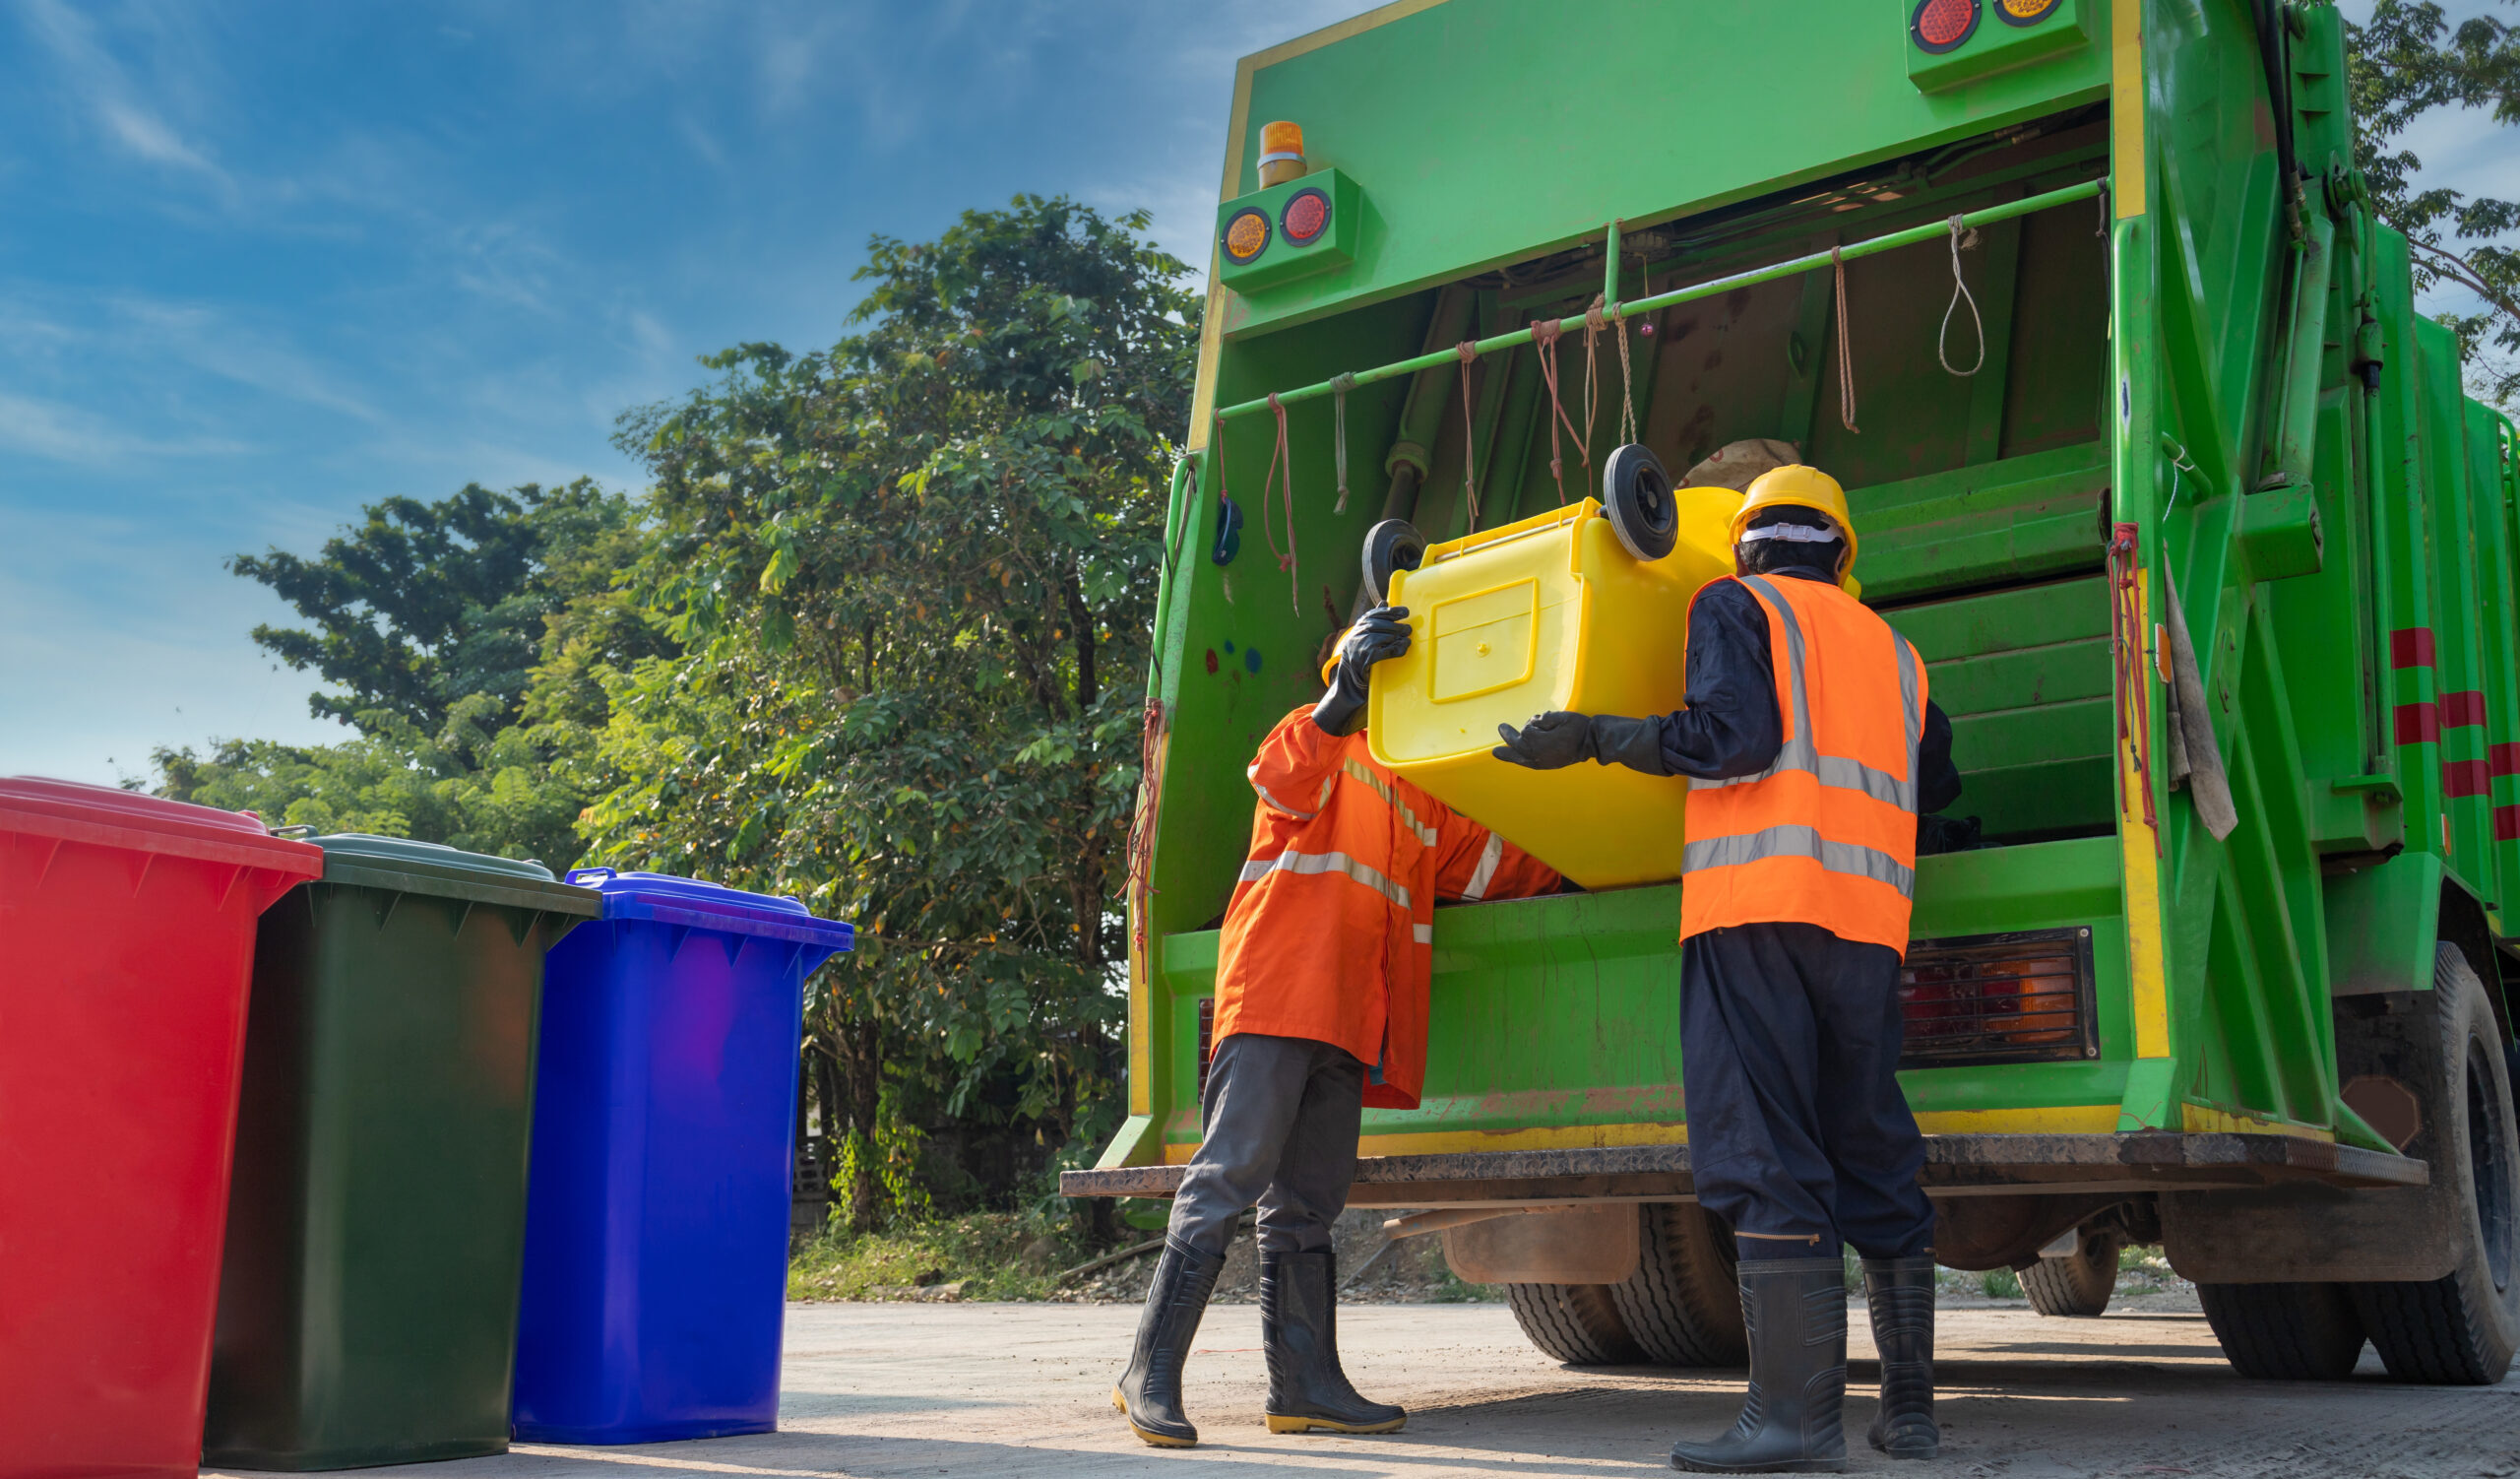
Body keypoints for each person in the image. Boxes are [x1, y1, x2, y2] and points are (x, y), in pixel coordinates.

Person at [1493, 464, 1962, 1472]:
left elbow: (1733, 738)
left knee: (1765, 1153)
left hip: (1754, 911)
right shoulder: (1896, 651)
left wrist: (1596, 736)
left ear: (1746, 541)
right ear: (1840, 550)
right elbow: (1937, 780)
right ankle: (1911, 1411)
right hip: (1866, 926)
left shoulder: (1735, 603)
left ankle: (1793, 1420)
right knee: (1870, 1144)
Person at [1115, 604, 1562, 1449]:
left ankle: (1305, 1387)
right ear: (1348, 673)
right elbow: (1278, 773)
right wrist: (1338, 699)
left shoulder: (1420, 795)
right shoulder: (1313, 743)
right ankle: (1150, 1373)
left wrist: (1581, 829)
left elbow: (1499, 865)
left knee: (1308, 1204)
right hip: (1280, 997)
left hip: (1351, 1020)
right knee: (1228, 1177)